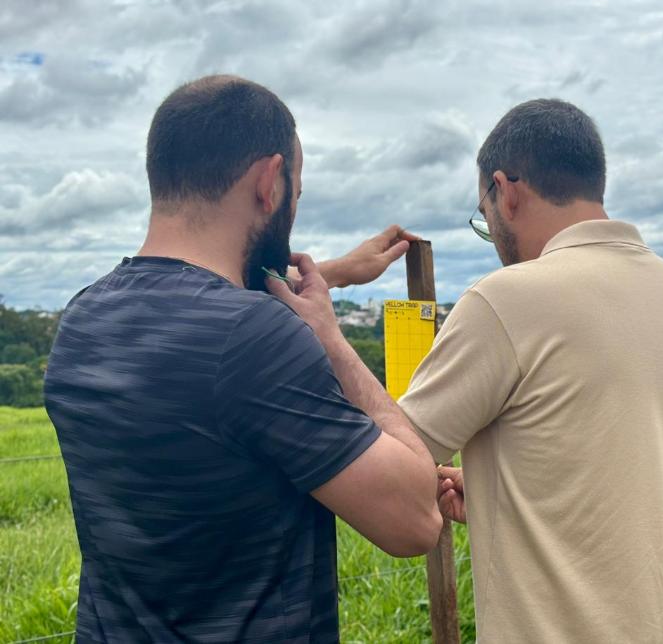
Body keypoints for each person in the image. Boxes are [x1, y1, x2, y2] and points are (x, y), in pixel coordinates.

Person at [43, 75, 442, 643]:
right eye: (297, 194)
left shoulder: (84, 316)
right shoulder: (256, 337)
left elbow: (200, 303)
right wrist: (331, 339)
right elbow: (416, 521)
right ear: (270, 181)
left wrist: (343, 271)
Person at [397, 99, 663, 642]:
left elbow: (396, 457)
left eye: (484, 219)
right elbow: (645, 475)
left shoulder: (505, 302)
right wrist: (503, 494)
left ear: (504, 191)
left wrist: (324, 333)